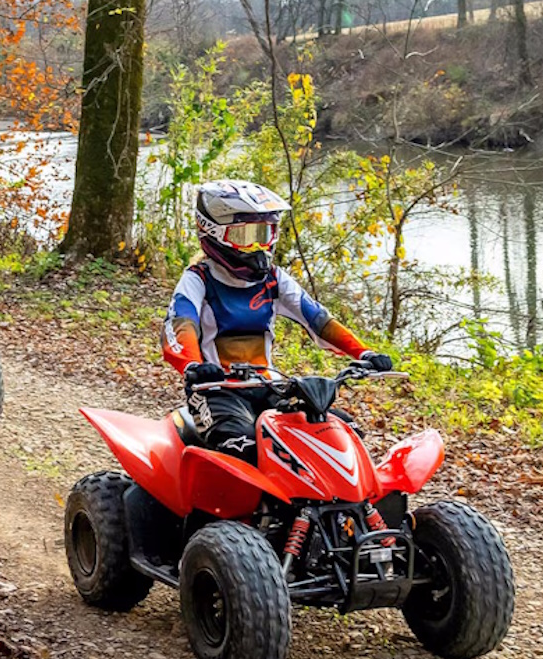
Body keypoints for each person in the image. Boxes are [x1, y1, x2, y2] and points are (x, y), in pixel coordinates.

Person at [162, 179, 392, 460]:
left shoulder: (273, 279)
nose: (258, 246)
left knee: (341, 431)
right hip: (214, 390)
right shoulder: (198, 279)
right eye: (246, 236)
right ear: (214, 233)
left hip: (268, 386)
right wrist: (193, 366)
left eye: (265, 233)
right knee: (242, 446)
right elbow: (179, 326)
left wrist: (364, 353)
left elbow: (318, 319)